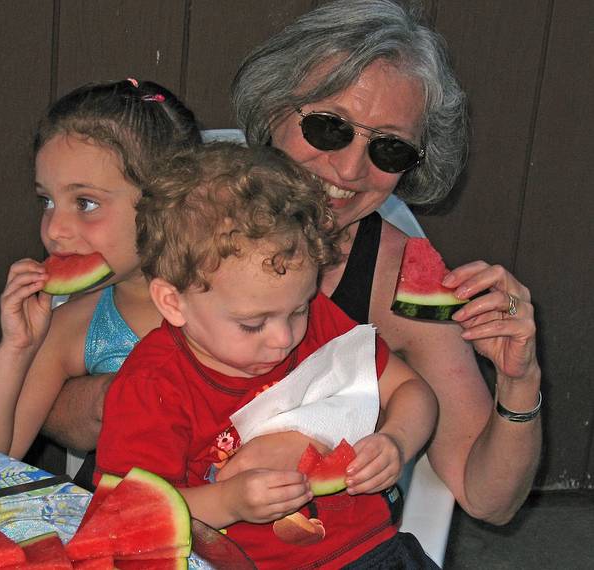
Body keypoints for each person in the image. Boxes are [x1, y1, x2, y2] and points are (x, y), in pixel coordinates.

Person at [225, 0, 541, 525]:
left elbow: (489, 499)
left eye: (390, 149)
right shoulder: (181, 215)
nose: (350, 169)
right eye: (330, 127)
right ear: (273, 109)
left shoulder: (401, 278)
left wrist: (520, 379)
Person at [97, 143, 440, 569]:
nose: (283, 338)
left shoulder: (318, 320)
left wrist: (396, 441)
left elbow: (411, 390)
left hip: (375, 552)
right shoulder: (152, 387)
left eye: (297, 308)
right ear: (173, 302)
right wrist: (228, 501)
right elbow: (128, 515)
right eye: (252, 324)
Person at [0, 78, 201, 459]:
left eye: (85, 203)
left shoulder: (238, 298)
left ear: (169, 200)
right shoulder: (75, 327)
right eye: (47, 201)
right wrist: (17, 347)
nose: (53, 229)